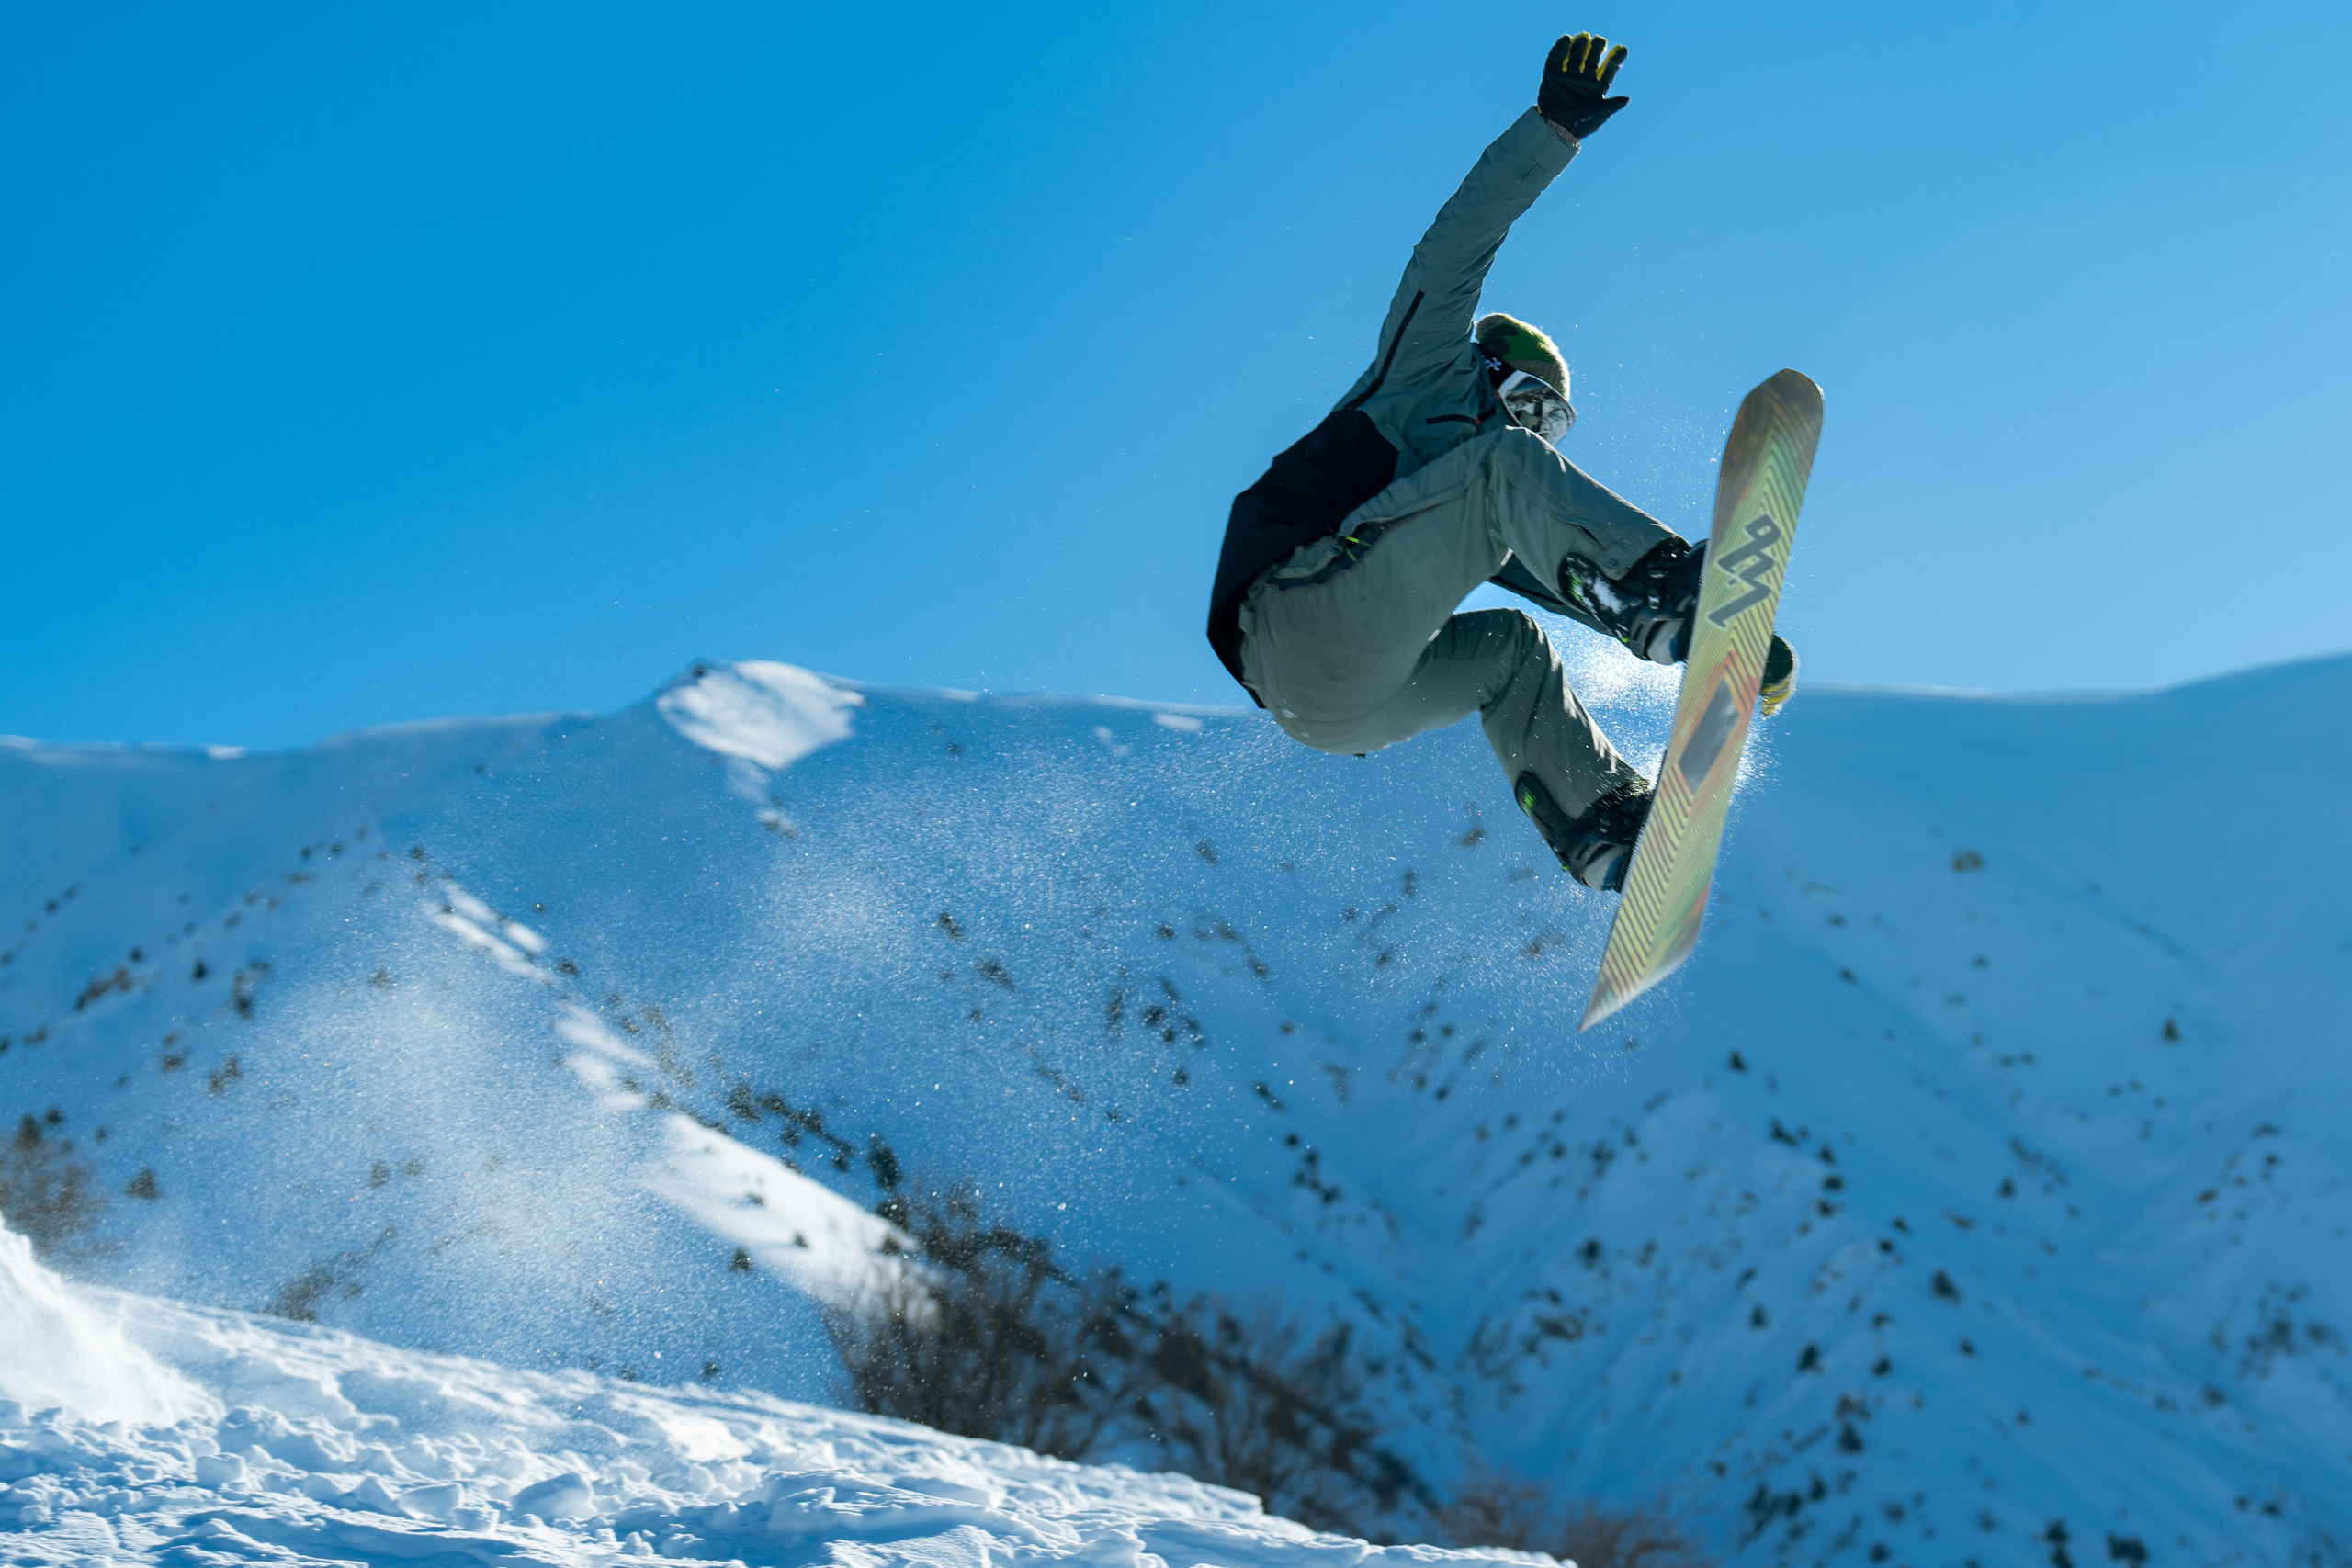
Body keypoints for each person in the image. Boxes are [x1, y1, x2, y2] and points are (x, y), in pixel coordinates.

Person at [1204, 32, 1795, 893]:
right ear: (1489, 367)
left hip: (1332, 708)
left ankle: (1599, 824)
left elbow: (1585, 593)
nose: (1538, 428)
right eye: (1529, 399)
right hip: (1292, 606)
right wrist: (1551, 131)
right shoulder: (1428, 372)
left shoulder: (1489, 501)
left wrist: (1736, 645)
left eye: (1553, 419)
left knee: (1514, 645)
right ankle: (1669, 584)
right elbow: (1451, 250)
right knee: (1503, 471)